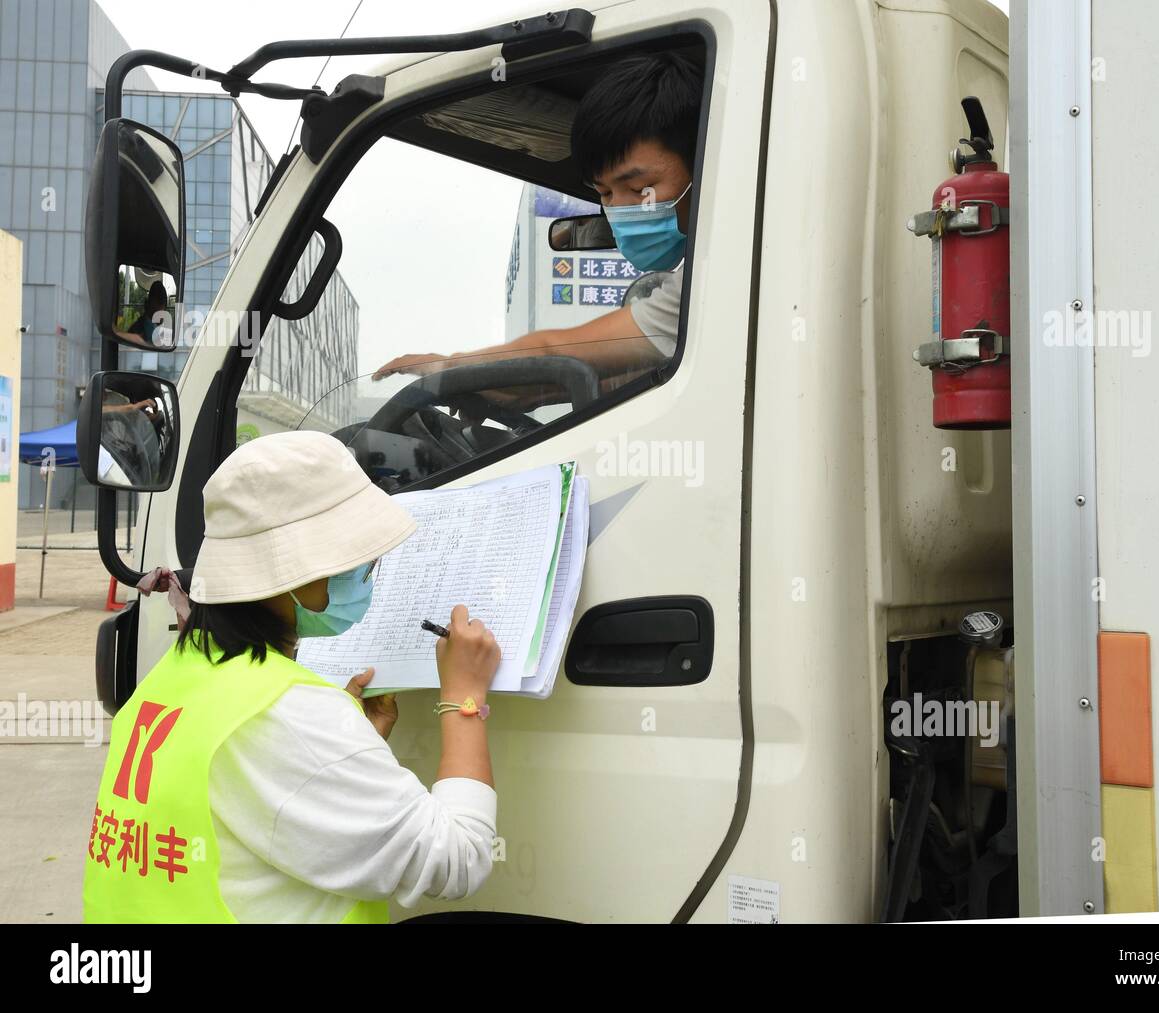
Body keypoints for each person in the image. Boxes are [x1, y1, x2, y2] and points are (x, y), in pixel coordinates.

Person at [83, 430, 501, 923]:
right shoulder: (292, 715)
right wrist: (464, 698)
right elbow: (459, 857)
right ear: (299, 574)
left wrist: (340, 752)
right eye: (362, 563)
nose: (368, 574)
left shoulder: (172, 679)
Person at [373, 51, 704, 384]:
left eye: (638, 186)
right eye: (604, 194)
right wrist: (496, 388)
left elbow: (557, 350)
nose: (619, 210)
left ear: (704, 160)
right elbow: (610, 379)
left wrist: (451, 368)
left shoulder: (716, 272)